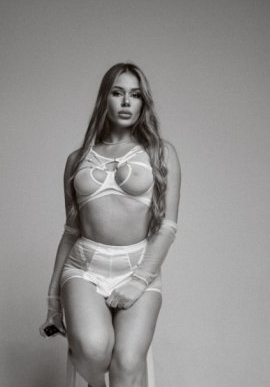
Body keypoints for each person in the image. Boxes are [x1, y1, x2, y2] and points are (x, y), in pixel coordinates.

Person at [39, 62, 181, 387]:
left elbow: (167, 228)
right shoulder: (77, 160)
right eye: (118, 93)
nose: (127, 102)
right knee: (92, 350)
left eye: (136, 94)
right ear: (105, 98)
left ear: (144, 102)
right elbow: (71, 232)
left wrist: (138, 282)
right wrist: (52, 302)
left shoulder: (161, 153)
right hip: (85, 268)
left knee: (127, 365)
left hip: (138, 269)